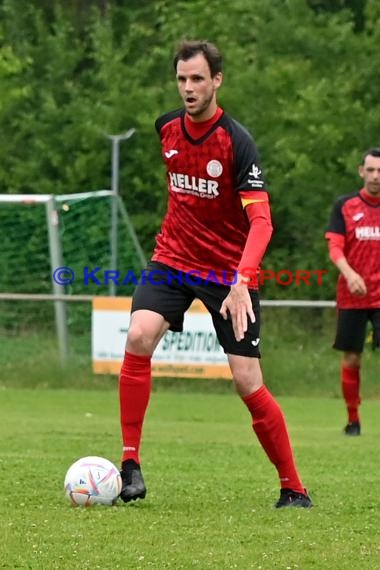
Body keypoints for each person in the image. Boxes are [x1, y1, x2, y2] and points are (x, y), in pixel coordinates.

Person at [118, 39, 312, 508]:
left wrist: (243, 279)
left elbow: (261, 221)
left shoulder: (237, 142)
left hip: (229, 274)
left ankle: (293, 487)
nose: (188, 88)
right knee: (138, 336)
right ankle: (129, 466)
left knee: (247, 381)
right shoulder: (165, 128)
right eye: (182, 79)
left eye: (198, 79)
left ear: (217, 81)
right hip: (172, 260)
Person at [325, 148, 380, 436]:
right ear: (361, 171)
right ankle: (353, 420)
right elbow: (334, 246)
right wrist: (350, 274)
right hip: (353, 295)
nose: (375, 176)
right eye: (370, 170)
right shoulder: (344, 205)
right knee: (352, 358)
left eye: (379, 171)